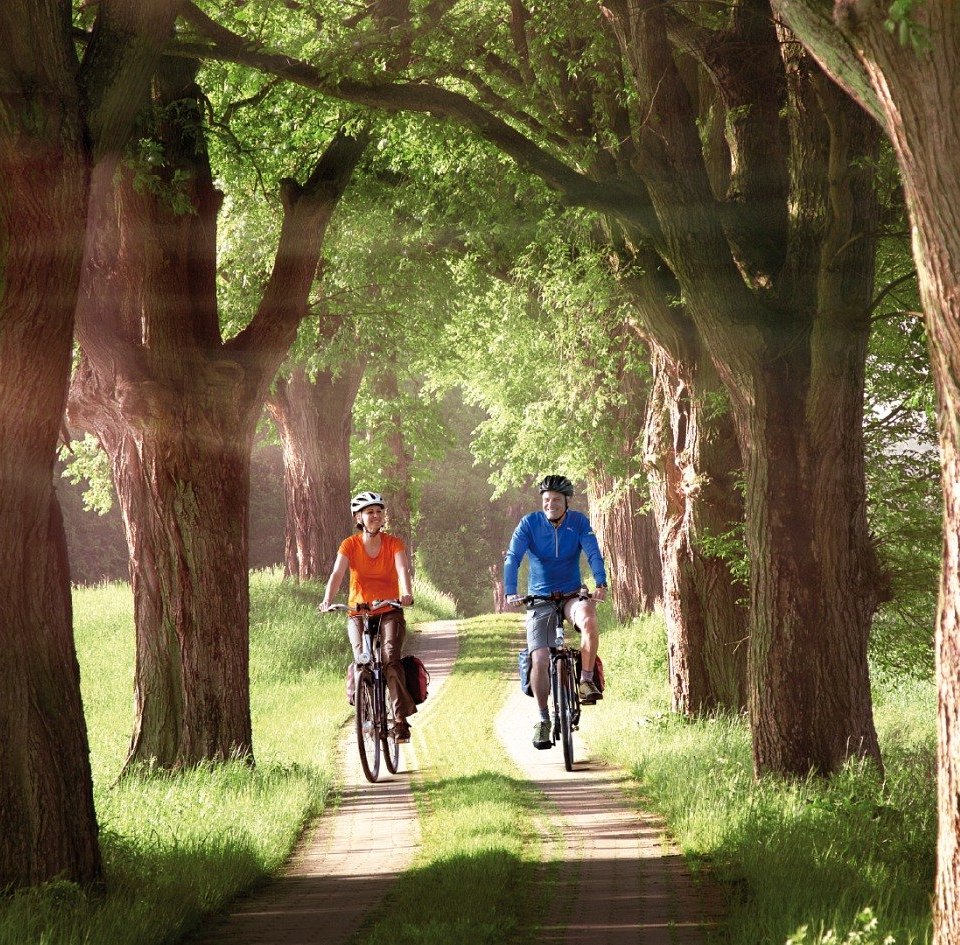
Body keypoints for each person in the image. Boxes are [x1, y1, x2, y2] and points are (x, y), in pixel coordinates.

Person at [504, 474, 608, 750]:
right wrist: (510, 591)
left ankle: (585, 680)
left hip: (572, 594)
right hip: (540, 598)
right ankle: (542, 719)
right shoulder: (529, 524)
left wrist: (600, 583)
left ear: (566, 502)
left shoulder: (579, 523)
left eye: (556, 500)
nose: (551, 504)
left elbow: (593, 553)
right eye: (546, 500)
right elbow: (513, 557)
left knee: (589, 620)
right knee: (539, 658)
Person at [321, 490, 417, 742]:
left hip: (389, 610)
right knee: (361, 660)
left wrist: (406, 593)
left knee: (390, 659)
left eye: (378, 511)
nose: (375, 516)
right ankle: (364, 706)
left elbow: (402, 569)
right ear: (358, 517)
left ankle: (400, 721)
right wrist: (327, 600)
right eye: (369, 512)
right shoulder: (349, 545)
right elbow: (337, 574)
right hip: (358, 612)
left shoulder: (393, 543)